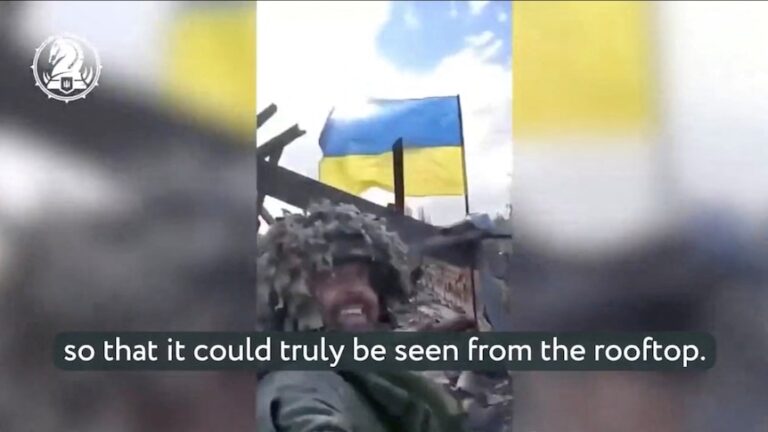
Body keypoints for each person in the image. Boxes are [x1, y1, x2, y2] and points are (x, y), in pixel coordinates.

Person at [255, 200, 469, 432]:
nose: (356, 290)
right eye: (330, 277)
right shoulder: (298, 385)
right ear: (289, 298)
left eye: (360, 276)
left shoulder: (355, 365)